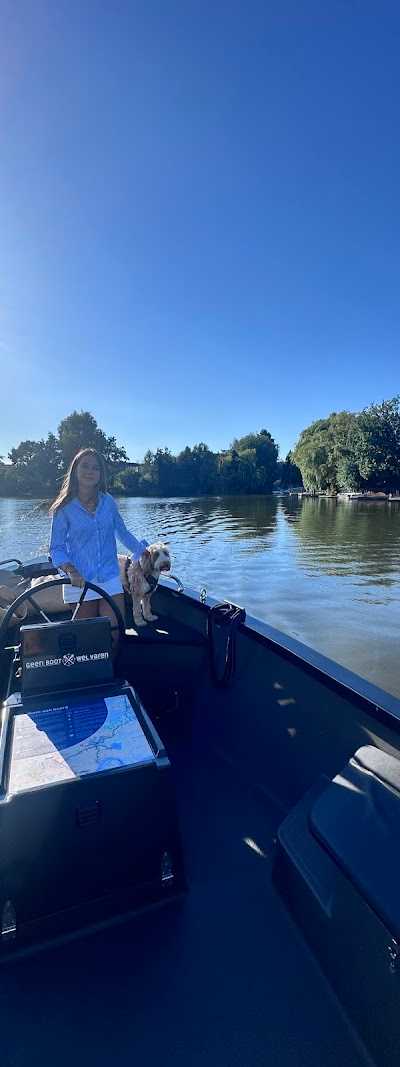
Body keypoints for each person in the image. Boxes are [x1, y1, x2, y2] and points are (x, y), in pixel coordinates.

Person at [49, 448, 148, 640]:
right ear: (75, 470)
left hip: (109, 576)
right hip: (79, 580)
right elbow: (56, 548)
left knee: (115, 635)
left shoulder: (108, 501)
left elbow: (122, 532)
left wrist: (143, 552)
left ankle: (112, 669)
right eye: (85, 466)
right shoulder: (63, 507)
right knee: (87, 640)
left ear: (100, 474)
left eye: (95, 468)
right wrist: (71, 570)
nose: (90, 471)